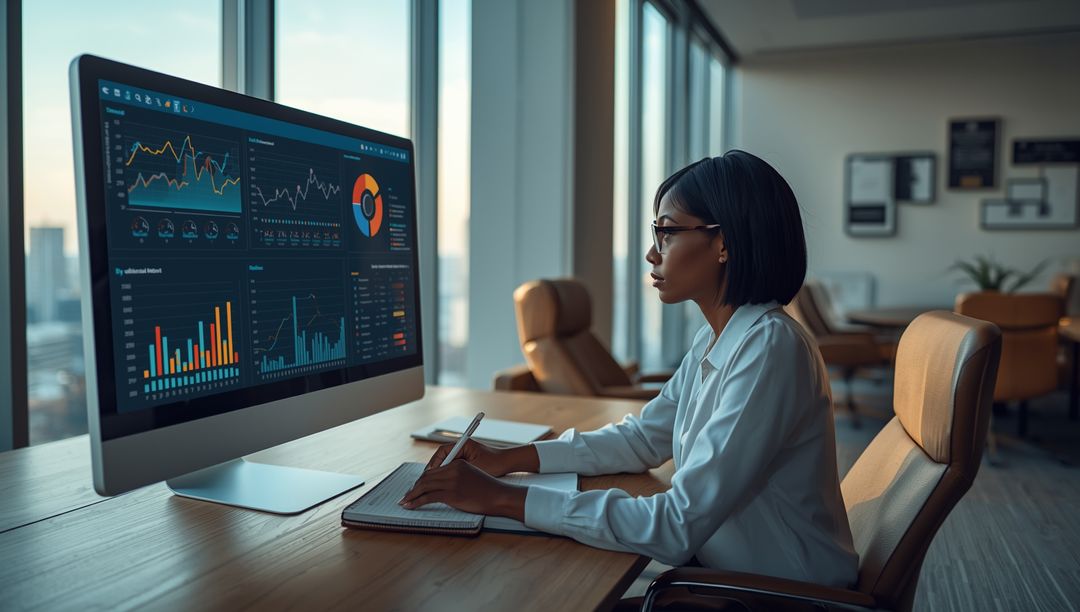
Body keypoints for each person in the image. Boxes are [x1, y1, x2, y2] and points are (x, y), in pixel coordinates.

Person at [401, 150, 858, 588]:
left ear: (724, 243)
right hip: (726, 570)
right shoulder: (721, 336)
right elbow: (641, 439)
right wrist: (510, 459)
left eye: (667, 233)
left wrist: (501, 497)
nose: (652, 254)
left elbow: (675, 525)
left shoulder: (770, 349)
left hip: (779, 594)